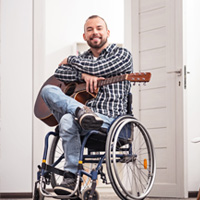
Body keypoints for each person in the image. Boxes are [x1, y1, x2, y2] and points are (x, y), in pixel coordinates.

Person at [41, 15, 133, 195]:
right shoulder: (85, 58)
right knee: (48, 92)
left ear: (107, 32)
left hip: (110, 121)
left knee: (67, 118)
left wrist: (71, 60)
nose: (94, 33)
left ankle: (70, 175)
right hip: (82, 119)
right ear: (84, 37)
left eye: (99, 28)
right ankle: (80, 111)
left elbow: (100, 69)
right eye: (89, 30)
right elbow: (59, 72)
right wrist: (84, 76)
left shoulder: (122, 55)